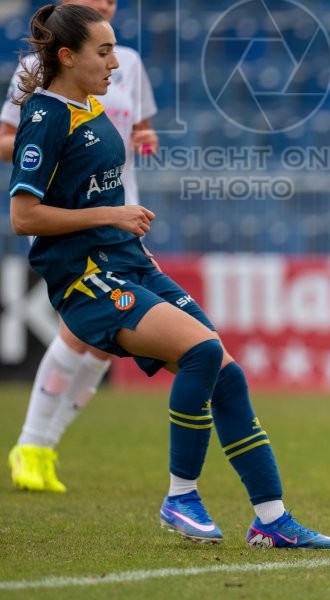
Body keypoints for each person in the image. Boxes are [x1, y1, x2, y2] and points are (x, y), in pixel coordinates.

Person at [8, 3, 330, 549]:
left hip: (128, 263)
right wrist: (111, 216)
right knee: (202, 354)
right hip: (86, 279)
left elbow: (101, 190)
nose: (116, 63)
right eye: (104, 51)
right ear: (67, 57)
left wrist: (133, 245)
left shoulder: (90, 106)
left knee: (226, 372)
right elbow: (24, 217)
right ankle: (180, 496)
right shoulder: (46, 116)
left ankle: (272, 518)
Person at [3, 0, 158, 493]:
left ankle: (44, 444)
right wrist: (54, 138)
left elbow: (135, 127)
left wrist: (145, 134)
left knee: (102, 343)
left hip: (122, 212)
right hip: (77, 218)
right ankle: (31, 443)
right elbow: (9, 138)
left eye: (112, 0)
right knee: (82, 330)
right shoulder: (39, 69)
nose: (105, 4)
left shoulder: (127, 62)